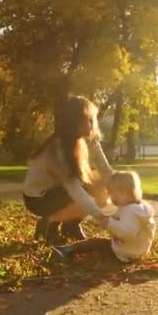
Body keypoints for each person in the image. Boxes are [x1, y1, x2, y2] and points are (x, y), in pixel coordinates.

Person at [23, 95, 115, 242]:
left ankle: (71, 226)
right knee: (81, 192)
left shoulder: (89, 141)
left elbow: (106, 172)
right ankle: (50, 225)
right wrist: (102, 218)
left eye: (93, 120)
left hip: (59, 192)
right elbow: (74, 190)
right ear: (75, 122)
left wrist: (131, 192)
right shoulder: (59, 146)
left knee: (100, 184)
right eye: (88, 120)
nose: (93, 125)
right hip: (38, 199)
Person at [51, 171, 156, 263]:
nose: (111, 198)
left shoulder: (129, 211)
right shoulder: (141, 208)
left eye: (113, 193)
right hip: (138, 250)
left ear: (125, 192)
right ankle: (70, 250)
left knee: (95, 243)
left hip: (124, 252)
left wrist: (109, 223)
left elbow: (127, 231)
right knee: (101, 244)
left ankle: (67, 250)